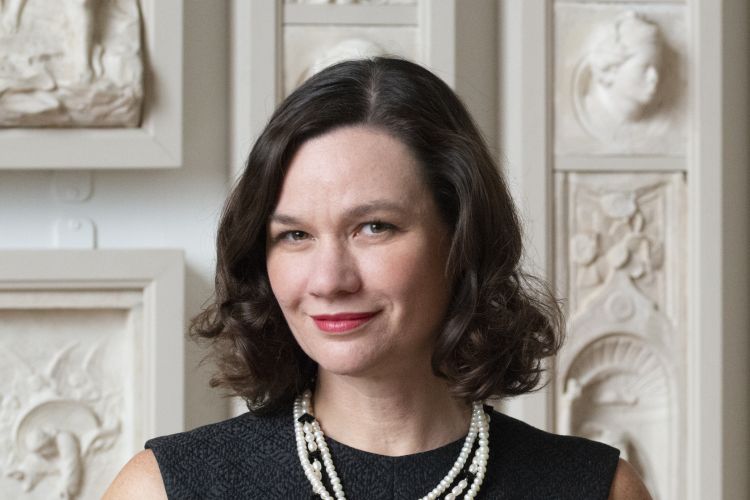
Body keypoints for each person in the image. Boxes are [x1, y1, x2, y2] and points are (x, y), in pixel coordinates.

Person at [104, 57, 651, 499]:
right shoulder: (165, 489)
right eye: (294, 235)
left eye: (373, 227)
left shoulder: (595, 489)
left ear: (461, 238)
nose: (328, 280)